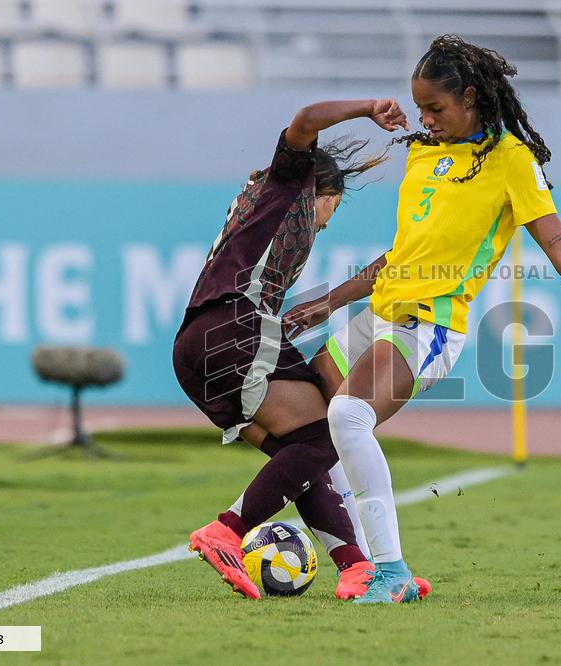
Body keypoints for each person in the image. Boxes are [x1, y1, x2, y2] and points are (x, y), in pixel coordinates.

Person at [282, 35, 561, 604]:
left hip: (431, 324)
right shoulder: (423, 154)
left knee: (348, 415)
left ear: (470, 97)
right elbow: (402, 253)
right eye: (420, 109)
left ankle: (391, 573)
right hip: (380, 312)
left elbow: (559, 244)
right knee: (311, 413)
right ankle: (359, 562)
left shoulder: (511, 160)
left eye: (435, 108)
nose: (425, 119)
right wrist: (333, 300)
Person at [173, 98, 434, 601]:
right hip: (233, 330)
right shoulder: (290, 183)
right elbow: (305, 120)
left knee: (303, 458)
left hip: (196, 346)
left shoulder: (259, 197)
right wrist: (366, 108)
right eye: (333, 207)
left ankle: (356, 567)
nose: (328, 223)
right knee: (328, 431)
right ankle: (226, 530)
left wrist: (327, 303)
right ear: (322, 189)